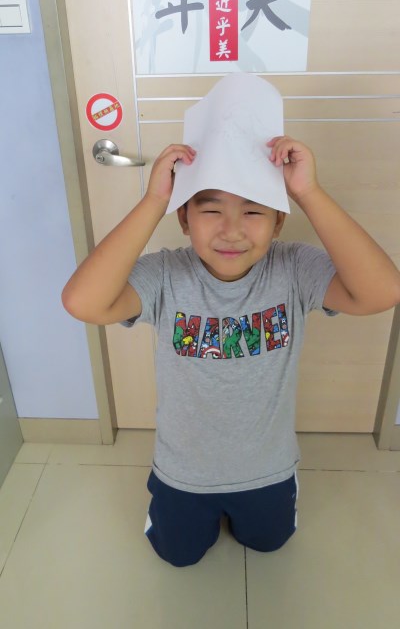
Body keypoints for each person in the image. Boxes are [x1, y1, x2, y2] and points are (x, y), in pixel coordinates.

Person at [62, 135, 400, 568]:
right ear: (184, 218)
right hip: (183, 472)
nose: (232, 230)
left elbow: (382, 292)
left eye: (254, 211)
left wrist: (309, 192)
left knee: (270, 544)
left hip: (267, 468)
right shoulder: (166, 274)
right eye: (210, 210)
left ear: (278, 222)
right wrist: (153, 201)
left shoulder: (293, 268)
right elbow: (83, 302)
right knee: (177, 556)